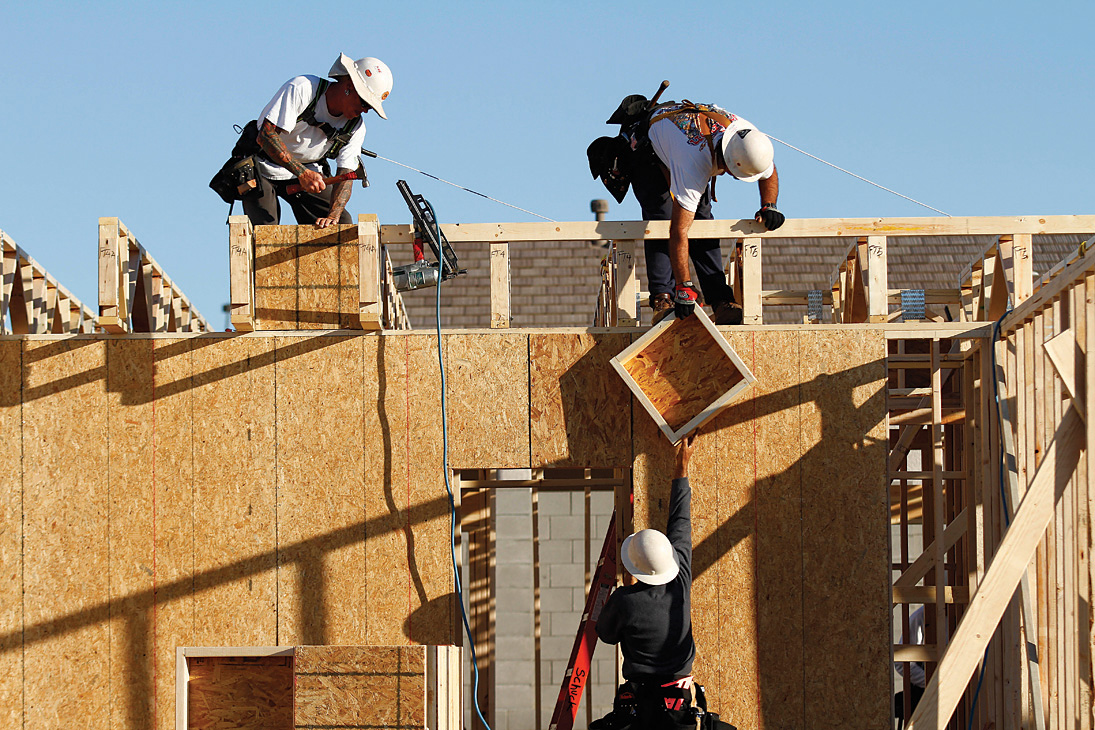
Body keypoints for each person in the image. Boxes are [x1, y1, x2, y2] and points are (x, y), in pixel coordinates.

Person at [589, 96, 785, 324]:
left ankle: (720, 299)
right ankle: (664, 298)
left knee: (703, 224)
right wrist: (685, 286)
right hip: (647, 152)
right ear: (728, 162)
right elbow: (678, 232)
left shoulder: (749, 140)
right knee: (662, 219)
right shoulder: (694, 161)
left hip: (682, 143)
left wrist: (769, 205)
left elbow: (768, 172)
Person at [593, 433, 733, 730]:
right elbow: (680, 519)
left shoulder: (624, 601)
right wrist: (682, 465)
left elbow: (605, 634)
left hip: (641, 705)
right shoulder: (680, 575)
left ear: (635, 568)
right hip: (676, 703)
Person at [243, 54, 392, 229]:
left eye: (370, 108)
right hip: (262, 167)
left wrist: (333, 216)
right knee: (265, 231)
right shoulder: (303, 88)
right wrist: (302, 174)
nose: (365, 111)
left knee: (340, 226)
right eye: (365, 103)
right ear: (350, 86)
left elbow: (346, 174)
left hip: (308, 173)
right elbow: (266, 136)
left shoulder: (355, 128)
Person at [894, 606, 926, 729]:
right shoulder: (923, 616)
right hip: (926, 698)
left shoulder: (973, 614)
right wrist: (932, 682)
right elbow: (901, 661)